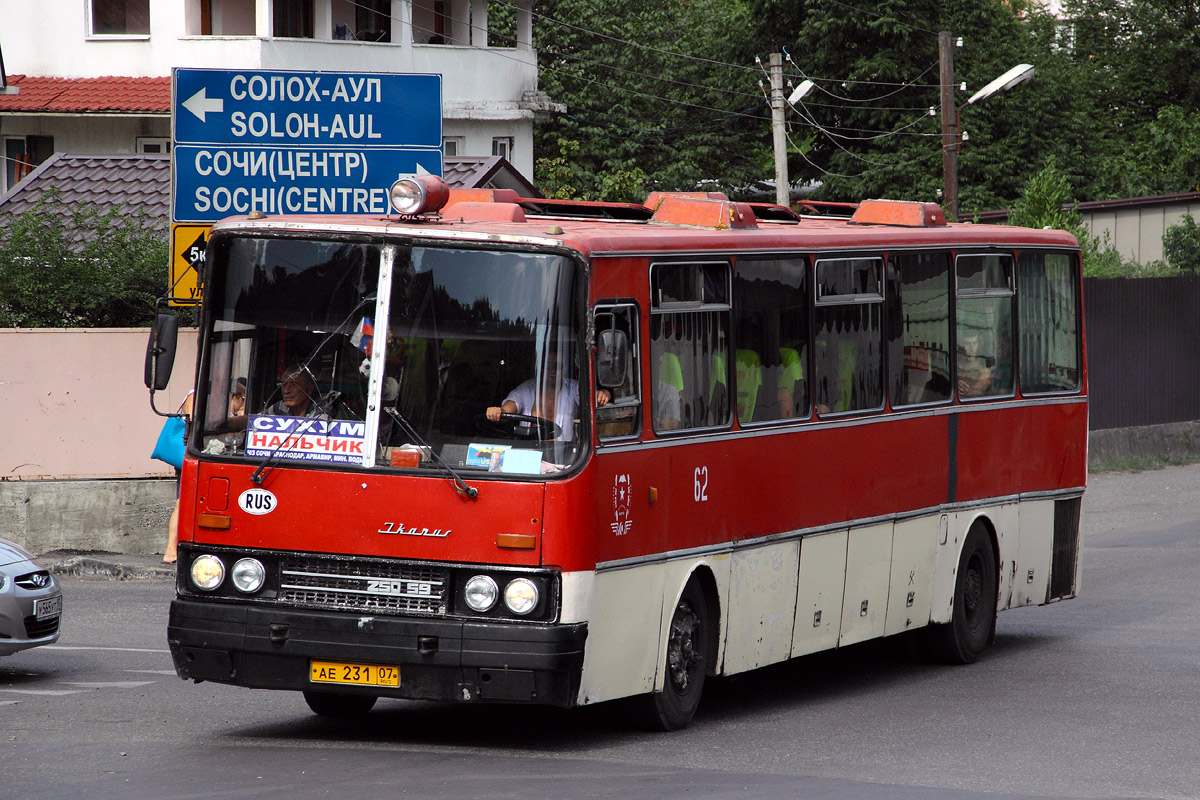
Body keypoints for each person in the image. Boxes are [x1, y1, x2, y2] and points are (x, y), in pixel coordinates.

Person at [486, 352, 611, 442]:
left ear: (565, 368)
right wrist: (498, 412)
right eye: (547, 366)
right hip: (528, 454)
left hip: (564, 459)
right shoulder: (526, 389)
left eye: (557, 366)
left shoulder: (573, 388)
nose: (552, 371)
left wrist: (604, 394)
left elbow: (593, 397)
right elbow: (509, 408)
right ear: (539, 368)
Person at [163, 391, 194, 565]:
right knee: (180, 502)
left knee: (181, 502)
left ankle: (173, 549)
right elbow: (193, 423)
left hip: (192, 455)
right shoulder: (194, 395)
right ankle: (170, 550)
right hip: (190, 455)